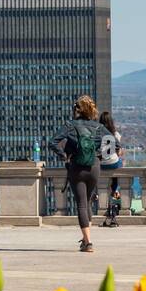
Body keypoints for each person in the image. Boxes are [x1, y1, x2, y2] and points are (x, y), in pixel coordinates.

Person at [51, 95, 110, 253]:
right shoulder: (98, 127)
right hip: (94, 167)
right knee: (88, 202)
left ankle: (88, 242)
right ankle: (85, 240)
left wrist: (63, 155)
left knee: (82, 204)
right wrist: (101, 156)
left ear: (77, 109)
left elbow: (53, 142)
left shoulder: (70, 125)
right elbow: (113, 143)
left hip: (77, 167)